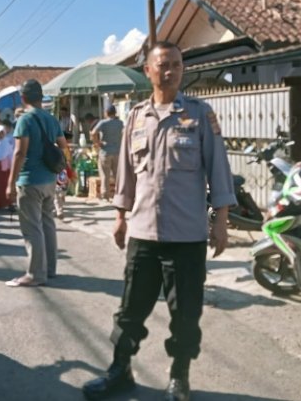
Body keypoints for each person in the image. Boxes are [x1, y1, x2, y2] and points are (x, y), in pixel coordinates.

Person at [82, 42, 236, 401]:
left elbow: (219, 170)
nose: (171, 71)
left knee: (185, 315)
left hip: (187, 237)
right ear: (148, 71)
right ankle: (120, 371)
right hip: (143, 234)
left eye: (177, 65)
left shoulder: (199, 114)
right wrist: (120, 217)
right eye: (163, 65)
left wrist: (221, 220)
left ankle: (179, 378)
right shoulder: (136, 116)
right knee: (129, 312)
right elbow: (126, 175)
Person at [5, 79, 68, 287]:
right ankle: (50, 269)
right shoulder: (51, 119)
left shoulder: (25, 120)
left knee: (32, 229)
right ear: (41, 97)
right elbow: (63, 145)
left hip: (29, 180)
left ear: (23, 98)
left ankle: (35, 274)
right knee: (48, 223)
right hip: (49, 179)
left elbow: (20, 152)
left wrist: (10, 182)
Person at [91, 104, 124, 201]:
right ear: (115, 113)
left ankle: (105, 195)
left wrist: (97, 143)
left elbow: (93, 133)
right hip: (117, 151)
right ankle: (119, 194)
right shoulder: (120, 123)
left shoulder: (103, 123)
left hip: (105, 151)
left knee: (105, 174)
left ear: (106, 113)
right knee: (117, 174)